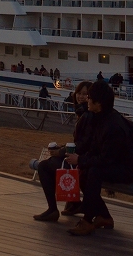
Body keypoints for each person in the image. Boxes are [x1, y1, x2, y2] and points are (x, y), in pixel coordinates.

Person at [66, 80, 133, 235]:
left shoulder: (112, 126)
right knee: (86, 172)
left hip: (127, 168)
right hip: (114, 163)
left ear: (99, 103)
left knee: (94, 172)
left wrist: (80, 160)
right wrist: (82, 160)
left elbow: (105, 159)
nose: (86, 100)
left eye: (90, 98)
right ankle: (104, 216)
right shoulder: (101, 117)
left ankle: (88, 220)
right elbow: (97, 150)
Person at [33, 81, 94, 222]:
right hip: (81, 156)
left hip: (83, 159)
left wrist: (61, 152)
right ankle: (71, 203)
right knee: (50, 164)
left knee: (44, 166)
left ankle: (54, 208)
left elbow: (83, 144)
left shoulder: (87, 114)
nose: (81, 96)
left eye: (85, 94)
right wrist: (62, 148)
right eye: (79, 93)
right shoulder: (83, 112)